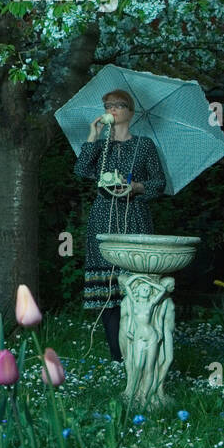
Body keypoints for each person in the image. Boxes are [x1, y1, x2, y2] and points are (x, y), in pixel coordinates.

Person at [73, 89, 165, 361]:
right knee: (108, 295)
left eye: (118, 105)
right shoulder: (100, 147)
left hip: (134, 217)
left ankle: (141, 352)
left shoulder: (144, 145)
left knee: (134, 292)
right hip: (103, 218)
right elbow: (80, 171)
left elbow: (159, 183)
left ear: (130, 112)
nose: (112, 110)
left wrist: (136, 187)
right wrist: (93, 135)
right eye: (108, 105)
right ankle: (117, 356)